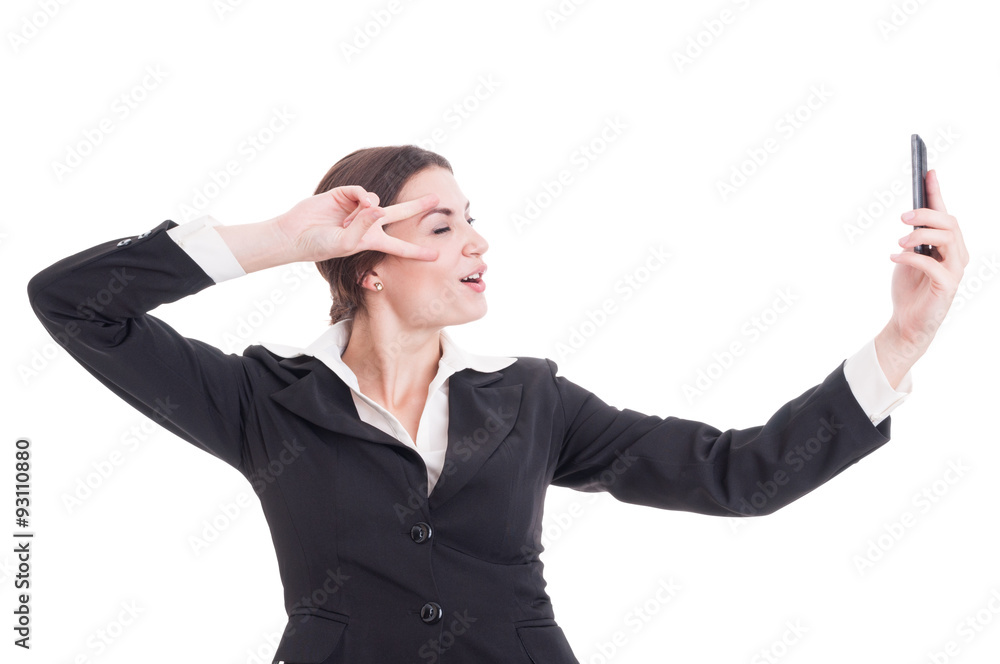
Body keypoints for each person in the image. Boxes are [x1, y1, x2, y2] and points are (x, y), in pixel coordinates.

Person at [26, 145, 968, 663]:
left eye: (472, 221)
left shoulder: (530, 397)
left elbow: (740, 476)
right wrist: (281, 236)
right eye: (443, 226)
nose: (478, 242)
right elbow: (73, 303)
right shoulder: (264, 400)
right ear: (369, 265)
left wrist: (903, 339)